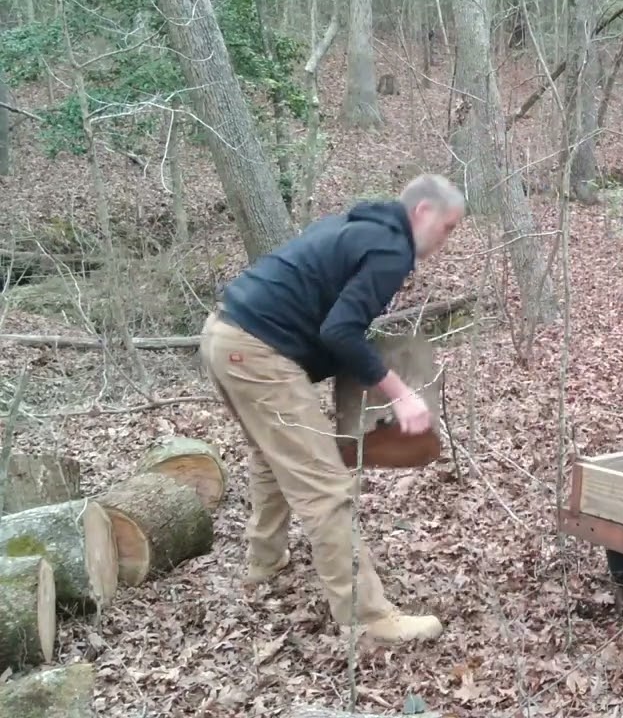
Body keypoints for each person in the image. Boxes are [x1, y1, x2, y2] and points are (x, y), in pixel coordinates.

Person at [198, 173, 465, 644]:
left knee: (270, 451)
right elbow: (339, 331)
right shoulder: (390, 250)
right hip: (257, 351)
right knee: (325, 487)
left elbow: (331, 320)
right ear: (422, 212)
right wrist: (401, 394)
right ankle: (366, 617)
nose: (447, 240)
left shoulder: (355, 227)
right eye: (448, 228)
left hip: (223, 334)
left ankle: (265, 562)